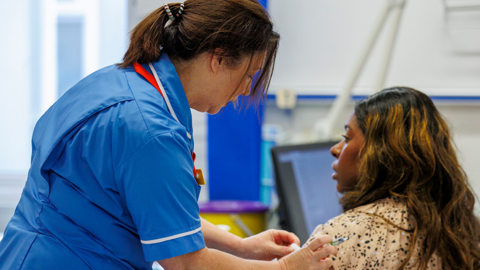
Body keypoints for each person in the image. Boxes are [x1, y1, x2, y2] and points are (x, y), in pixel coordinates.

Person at [0, 0, 337, 269]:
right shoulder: (151, 130)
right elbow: (187, 263)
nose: (245, 90)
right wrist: (286, 268)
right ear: (217, 59)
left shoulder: (120, 83)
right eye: (248, 75)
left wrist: (241, 246)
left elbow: (157, 209)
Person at [305, 87, 480, 269]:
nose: (335, 149)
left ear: (379, 154)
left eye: (347, 138)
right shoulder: (460, 229)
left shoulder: (336, 238)